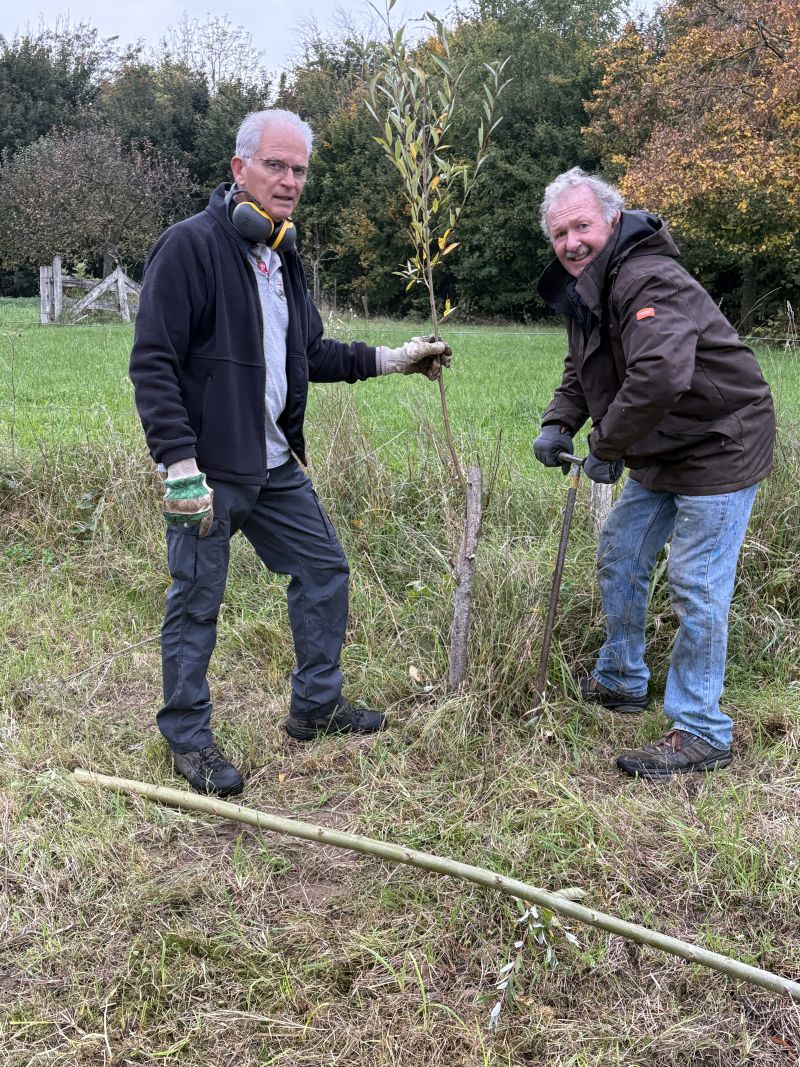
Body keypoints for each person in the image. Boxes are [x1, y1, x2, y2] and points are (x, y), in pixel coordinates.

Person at [129, 109, 450, 797]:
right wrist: (179, 466)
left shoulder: (282, 254)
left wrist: (396, 359)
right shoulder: (187, 247)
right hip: (207, 473)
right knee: (196, 601)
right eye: (276, 165)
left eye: (300, 169)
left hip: (273, 466)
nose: (290, 180)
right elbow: (153, 362)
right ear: (239, 168)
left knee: (324, 568)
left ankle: (315, 705)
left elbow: (310, 354)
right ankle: (188, 738)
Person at [532, 167, 775, 779]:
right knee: (621, 548)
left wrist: (608, 445)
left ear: (612, 221)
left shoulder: (646, 276)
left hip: (719, 442)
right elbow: (584, 363)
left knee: (696, 582)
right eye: (560, 233)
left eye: (581, 225)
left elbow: (660, 375)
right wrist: (560, 422)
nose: (571, 242)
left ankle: (702, 729)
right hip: (661, 444)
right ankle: (621, 680)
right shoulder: (589, 284)